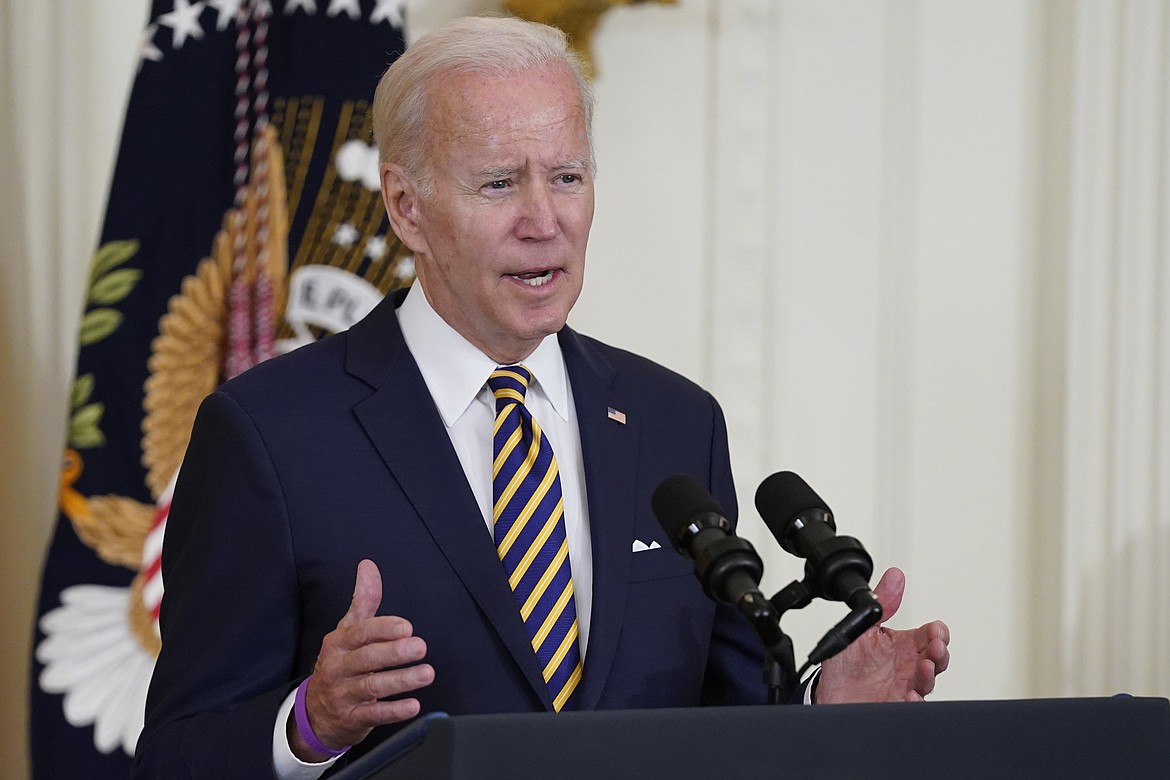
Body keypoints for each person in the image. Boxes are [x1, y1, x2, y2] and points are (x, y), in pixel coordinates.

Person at [133, 15, 950, 779]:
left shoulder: (676, 422)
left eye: (566, 177)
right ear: (406, 206)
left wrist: (819, 709)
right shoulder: (270, 435)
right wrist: (306, 724)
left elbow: (718, 724)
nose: (544, 220)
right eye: (498, 184)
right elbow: (175, 754)